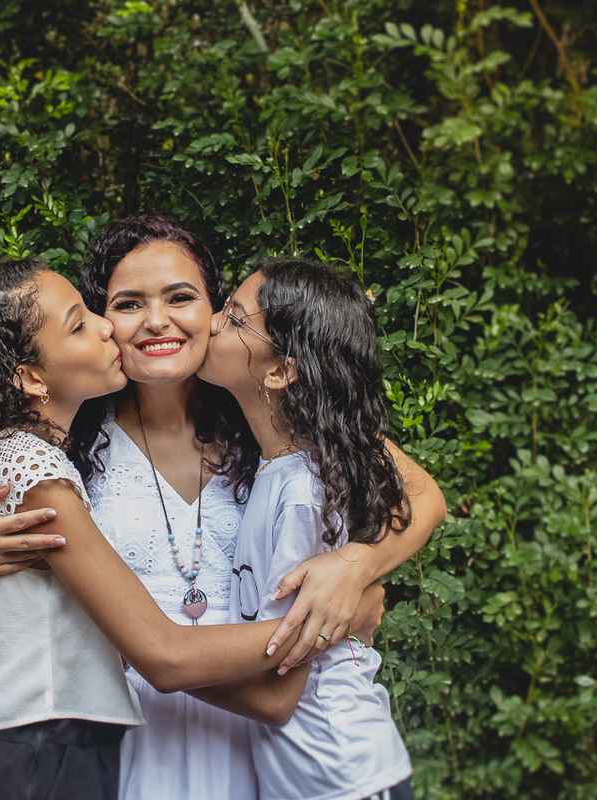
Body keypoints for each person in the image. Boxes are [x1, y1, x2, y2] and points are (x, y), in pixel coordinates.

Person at [0, 214, 446, 800]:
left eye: (181, 297)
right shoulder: (68, 429)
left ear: (214, 311)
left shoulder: (272, 418)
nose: (157, 321)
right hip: (122, 737)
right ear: (102, 319)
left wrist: (356, 566)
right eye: (127, 304)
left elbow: (424, 496)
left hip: (258, 735)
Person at [193, 258, 438, 800]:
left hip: (339, 773)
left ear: (280, 371)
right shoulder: (287, 468)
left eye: (234, 318)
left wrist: (146, 664)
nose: (211, 321)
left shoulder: (301, 491)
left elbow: (281, 678)